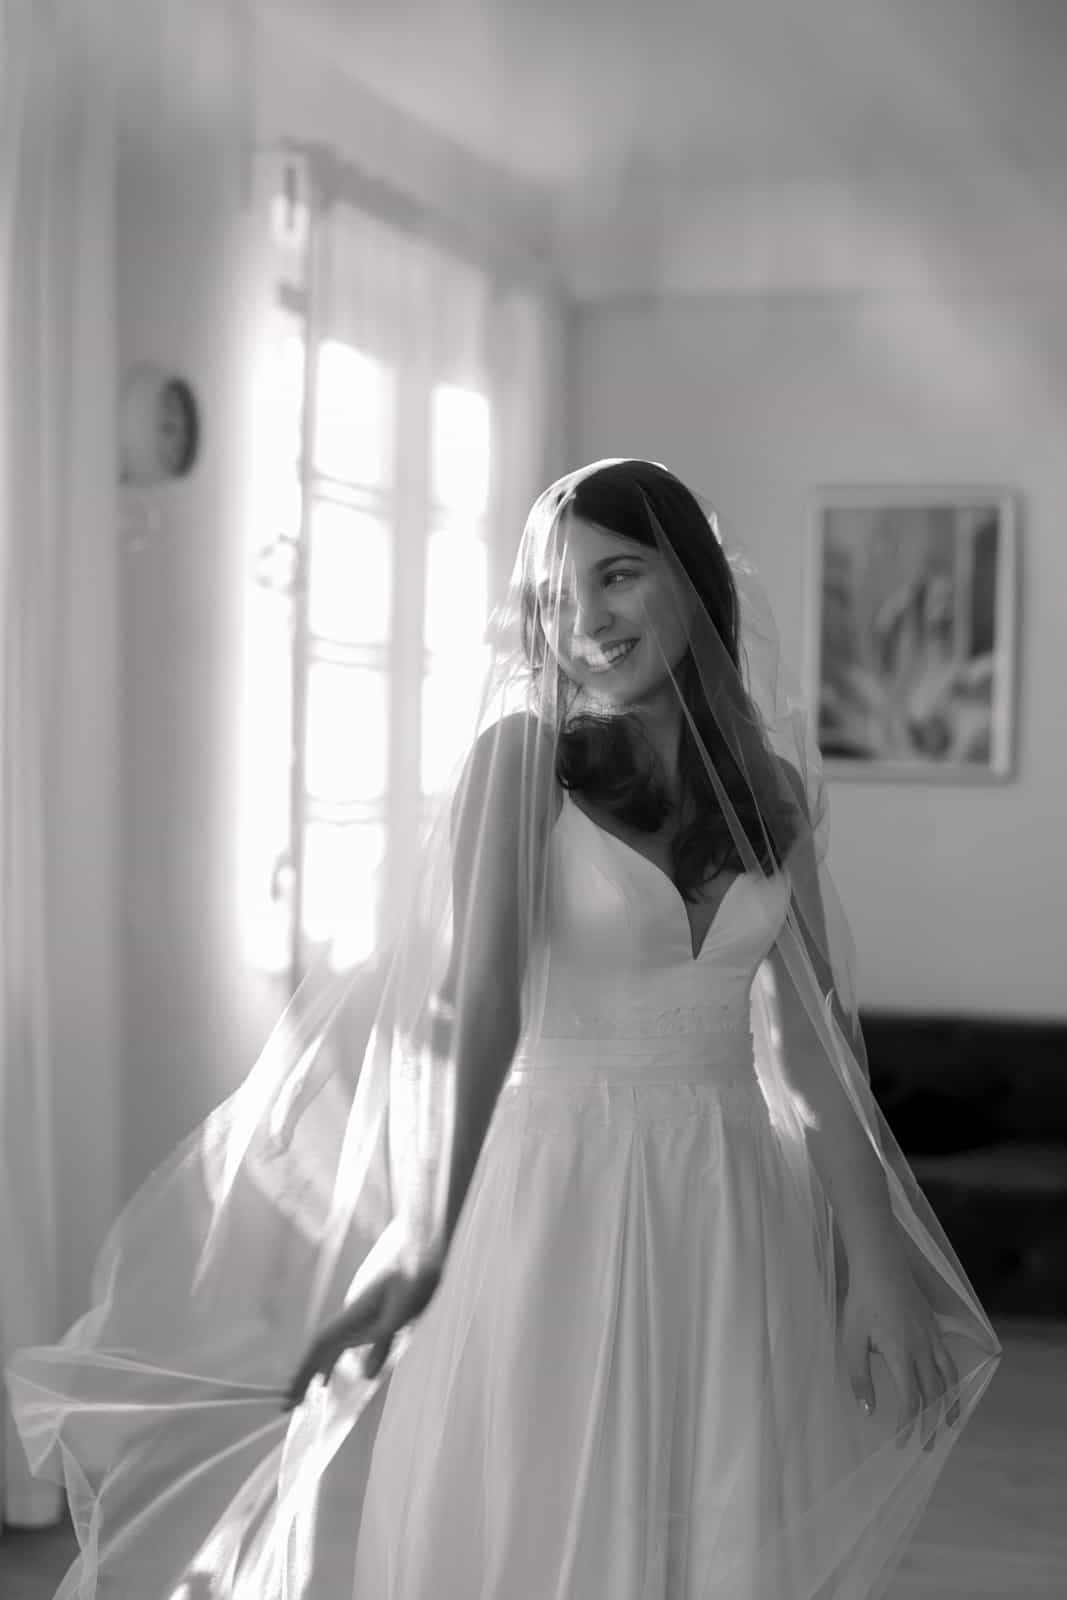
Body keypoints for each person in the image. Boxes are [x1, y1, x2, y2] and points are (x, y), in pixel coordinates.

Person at [7, 460, 1000, 1599]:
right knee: (554, 1518)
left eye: (617, 575)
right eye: (556, 598)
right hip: (557, 1192)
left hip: (729, 1196)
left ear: (691, 574)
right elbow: (469, 1008)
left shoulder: (766, 787)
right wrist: (424, 1242)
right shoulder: (521, 763)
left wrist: (873, 1259)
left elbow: (809, 1044)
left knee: (715, 1519)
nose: (587, 620)